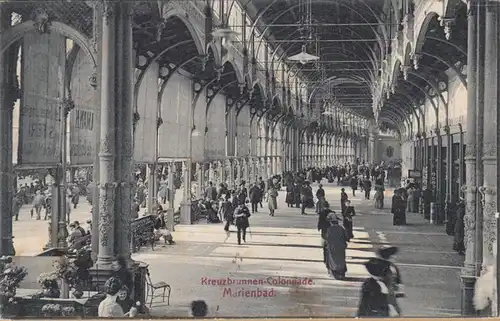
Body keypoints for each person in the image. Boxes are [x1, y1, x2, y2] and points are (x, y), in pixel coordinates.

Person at [324, 213, 348, 280]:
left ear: (331, 222)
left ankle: (334, 273)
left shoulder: (329, 230)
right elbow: (346, 237)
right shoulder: (342, 229)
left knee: (332, 260)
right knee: (341, 259)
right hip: (341, 247)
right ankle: (342, 273)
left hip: (332, 248)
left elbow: (326, 238)